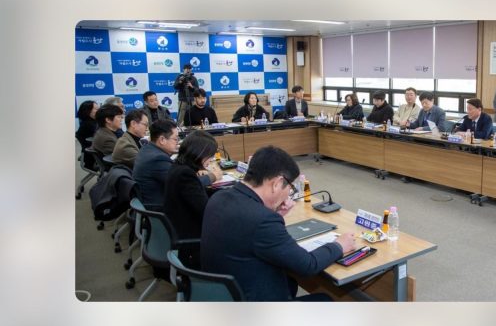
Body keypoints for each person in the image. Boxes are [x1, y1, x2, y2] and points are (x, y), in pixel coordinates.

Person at [201, 146, 356, 301]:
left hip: (223, 293)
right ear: (277, 183)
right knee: (324, 300)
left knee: (290, 282)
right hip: (253, 305)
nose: (289, 194)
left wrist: (274, 214)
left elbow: (249, 231)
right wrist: (339, 245)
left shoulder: (218, 197)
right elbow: (308, 265)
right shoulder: (262, 220)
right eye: (290, 187)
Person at [164, 131, 222, 269]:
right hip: (191, 239)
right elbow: (206, 211)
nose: (211, 159)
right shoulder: (185, 175)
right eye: (210, 155)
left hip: (180, 227)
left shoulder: (178, 167)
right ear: (199, 154)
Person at [132, 119, 180, 210]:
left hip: (151, 202)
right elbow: (184, 183)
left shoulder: (146, 149)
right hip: (162, 209)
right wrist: (209, 177)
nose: (178, 142)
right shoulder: (158, 159)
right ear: (162, 140)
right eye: (175, 139)